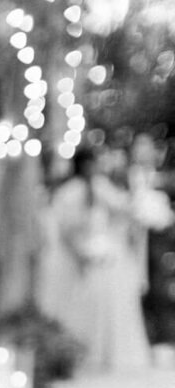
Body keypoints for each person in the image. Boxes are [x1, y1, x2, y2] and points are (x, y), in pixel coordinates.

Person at [41, 145, 151, 372]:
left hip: (101, 254)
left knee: (111, 295)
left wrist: (140, 198)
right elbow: (66, 231)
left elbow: (123, 208)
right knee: (81, 303)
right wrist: (81, 254)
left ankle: (108, 352)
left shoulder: (101, 186)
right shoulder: (70, 192)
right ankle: (81, 352)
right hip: (79, 257)